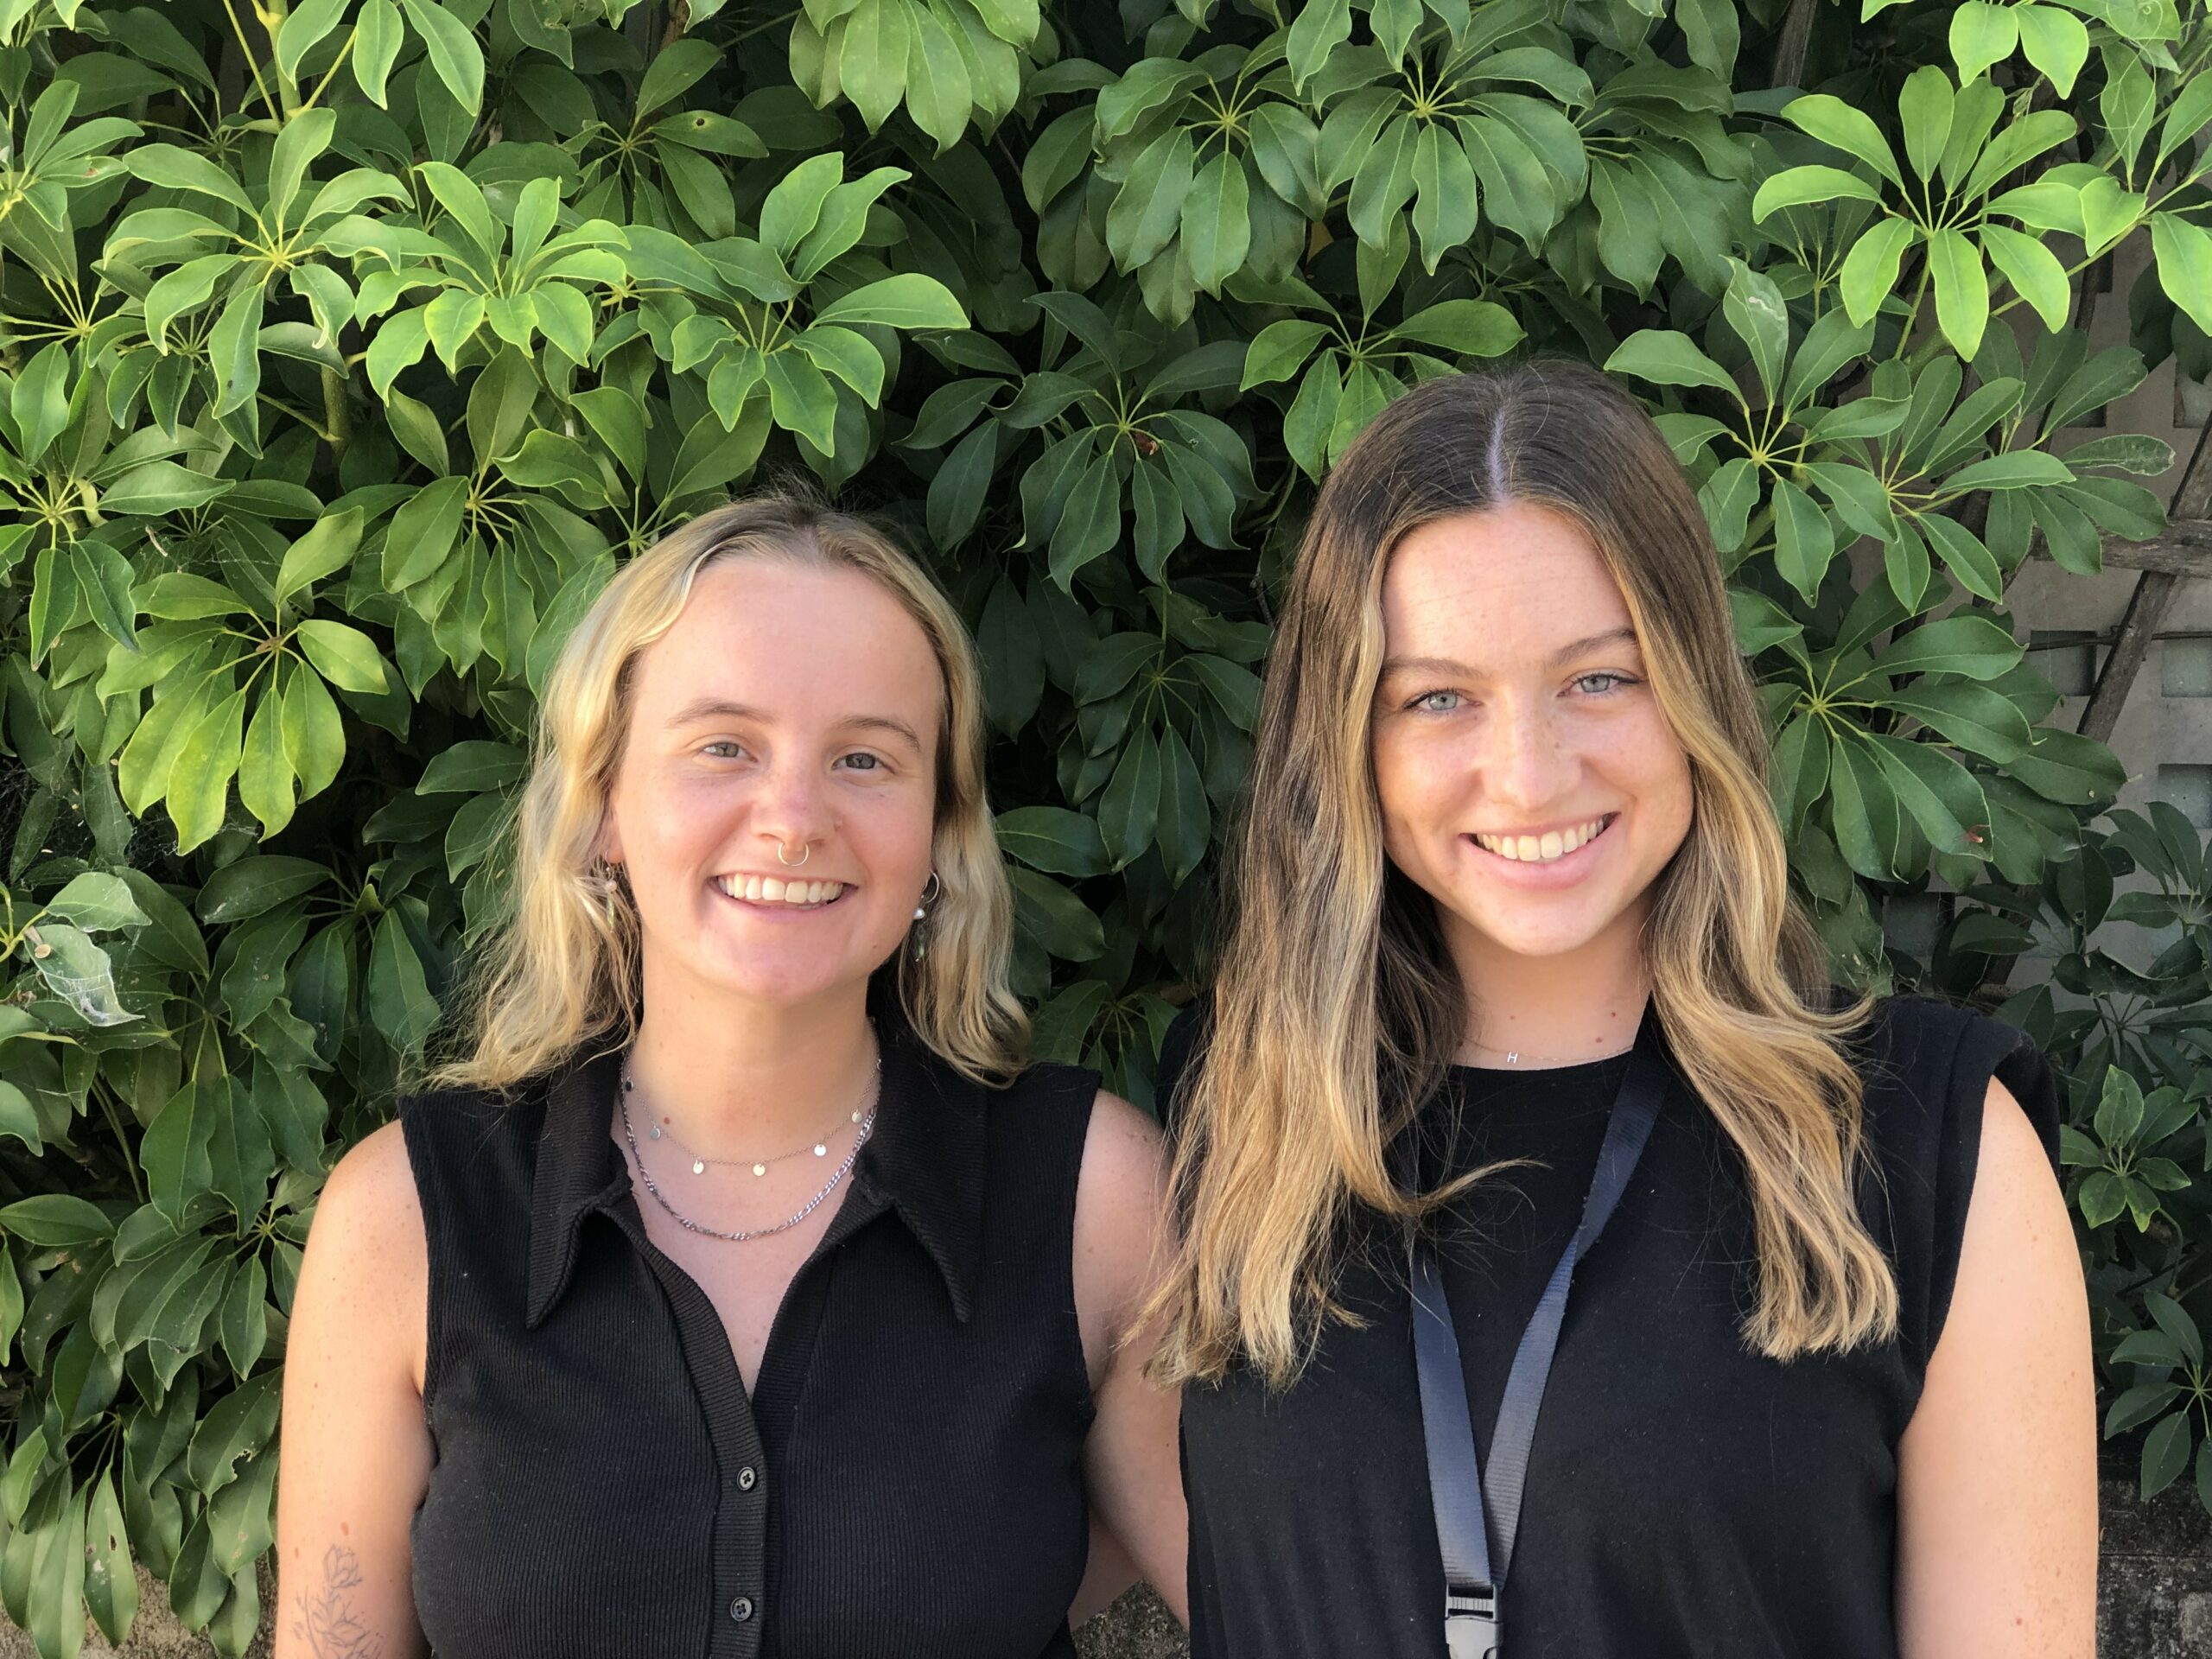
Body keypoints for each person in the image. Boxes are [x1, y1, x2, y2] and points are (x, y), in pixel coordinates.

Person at [1148, 361, 2094, 1658]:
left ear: (1696, 687)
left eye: (1601, 678)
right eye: (1437, 698)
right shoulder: (1230, 1108)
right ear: (1345, 738)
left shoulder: (1933, 1140)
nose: (1529, 773)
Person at [276, 492, 1187, 1657]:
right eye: (724, 747)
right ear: (604, 805)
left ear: (939, 834)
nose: (794, 816)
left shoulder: (1096, 1200)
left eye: (866, 758)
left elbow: (1289, 1598)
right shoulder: (402, 1219)